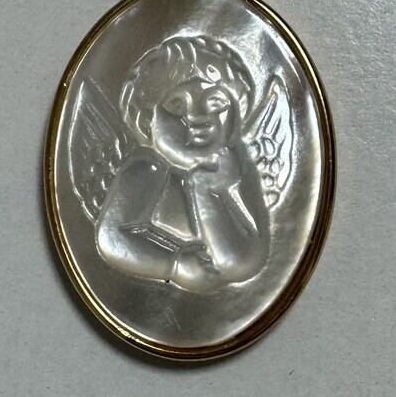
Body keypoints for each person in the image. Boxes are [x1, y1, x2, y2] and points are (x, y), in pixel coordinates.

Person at [95, 36, 269, 290]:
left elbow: (241, 262)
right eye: (177, 104)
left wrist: (204, 189)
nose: (198, 117)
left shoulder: (235, 171)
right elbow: (111, 239)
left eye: (216, 102)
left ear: (235, 117)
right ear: (148, 121)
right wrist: (173, 265)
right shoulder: (147, 168)